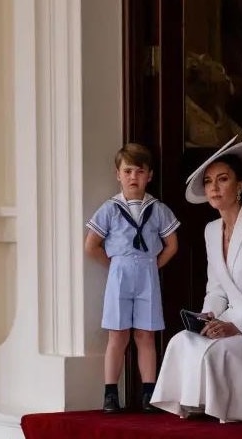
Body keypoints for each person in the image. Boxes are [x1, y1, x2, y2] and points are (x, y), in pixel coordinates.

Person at [150, 137, 242, 423]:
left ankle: (224, 406)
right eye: (209, 181)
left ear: (239, 186)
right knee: (181, 340)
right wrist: (207, 317)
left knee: (218, 352)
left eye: (222, 179)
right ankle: (194, 403)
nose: (214, 187)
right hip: (226, 318)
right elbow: (215, 288)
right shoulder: (211, 230)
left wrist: (236, 326)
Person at [85, 143, 180, 413]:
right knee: (117, 335)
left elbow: (172, 244)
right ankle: (110, 394)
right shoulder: (110, 209)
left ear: (149, 175)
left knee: (146, 334)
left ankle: (149, 394)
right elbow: (91, 245)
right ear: (118, 174)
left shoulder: (158, 209)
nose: (133, 177)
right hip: (120, 271)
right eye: (127, 171)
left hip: (147, 270)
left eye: (139, 171)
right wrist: (114, 265)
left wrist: (153, 265)